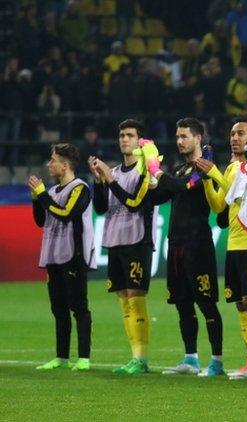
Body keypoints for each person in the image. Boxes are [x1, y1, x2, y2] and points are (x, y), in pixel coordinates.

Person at [196, 116, 247, 381]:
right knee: (242, 305)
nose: (234, 137)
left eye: (241, 133)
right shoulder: (231, 169)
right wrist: (209, 180)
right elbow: (220, 205)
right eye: (232, 133)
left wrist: (215, 173)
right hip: (235, 243)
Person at [143, 118, 225, 377]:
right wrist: (146, 172)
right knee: (182, 303)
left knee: (206, 302)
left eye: (184, 136)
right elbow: (158, 196)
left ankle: (217, 361)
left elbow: (184, 188)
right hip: (176, 243)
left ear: (198, 137)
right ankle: (191, 358)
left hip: (198, 243)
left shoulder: (205, 168)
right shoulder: (179, 170)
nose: (179, 141)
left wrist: (157, 171)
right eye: (177, 137)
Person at [88, 119, 156, 374]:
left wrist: (109, 179)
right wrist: (98, 181)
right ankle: (133, 356)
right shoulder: (114, 172)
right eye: (121, 135)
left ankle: (142, 358)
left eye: (129, 135)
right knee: (123, 299)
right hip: (114, 240)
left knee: (136, 298)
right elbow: (101, 208)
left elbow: (133, 203)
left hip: (137, 240)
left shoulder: (144, 171)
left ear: (140, 141)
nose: (124, 139)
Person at [30, 143, 95, 371]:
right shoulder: (51, 192)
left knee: (79, 307)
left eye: (53, 160)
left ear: (65, 165)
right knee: (58, 308)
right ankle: (62, 357)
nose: (50, 164)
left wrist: (43, 197)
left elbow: (67, 213)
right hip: (53, 255)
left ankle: (84, 357)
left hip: (73, 255)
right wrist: (36, 199)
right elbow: (41, 221)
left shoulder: (80, 188)